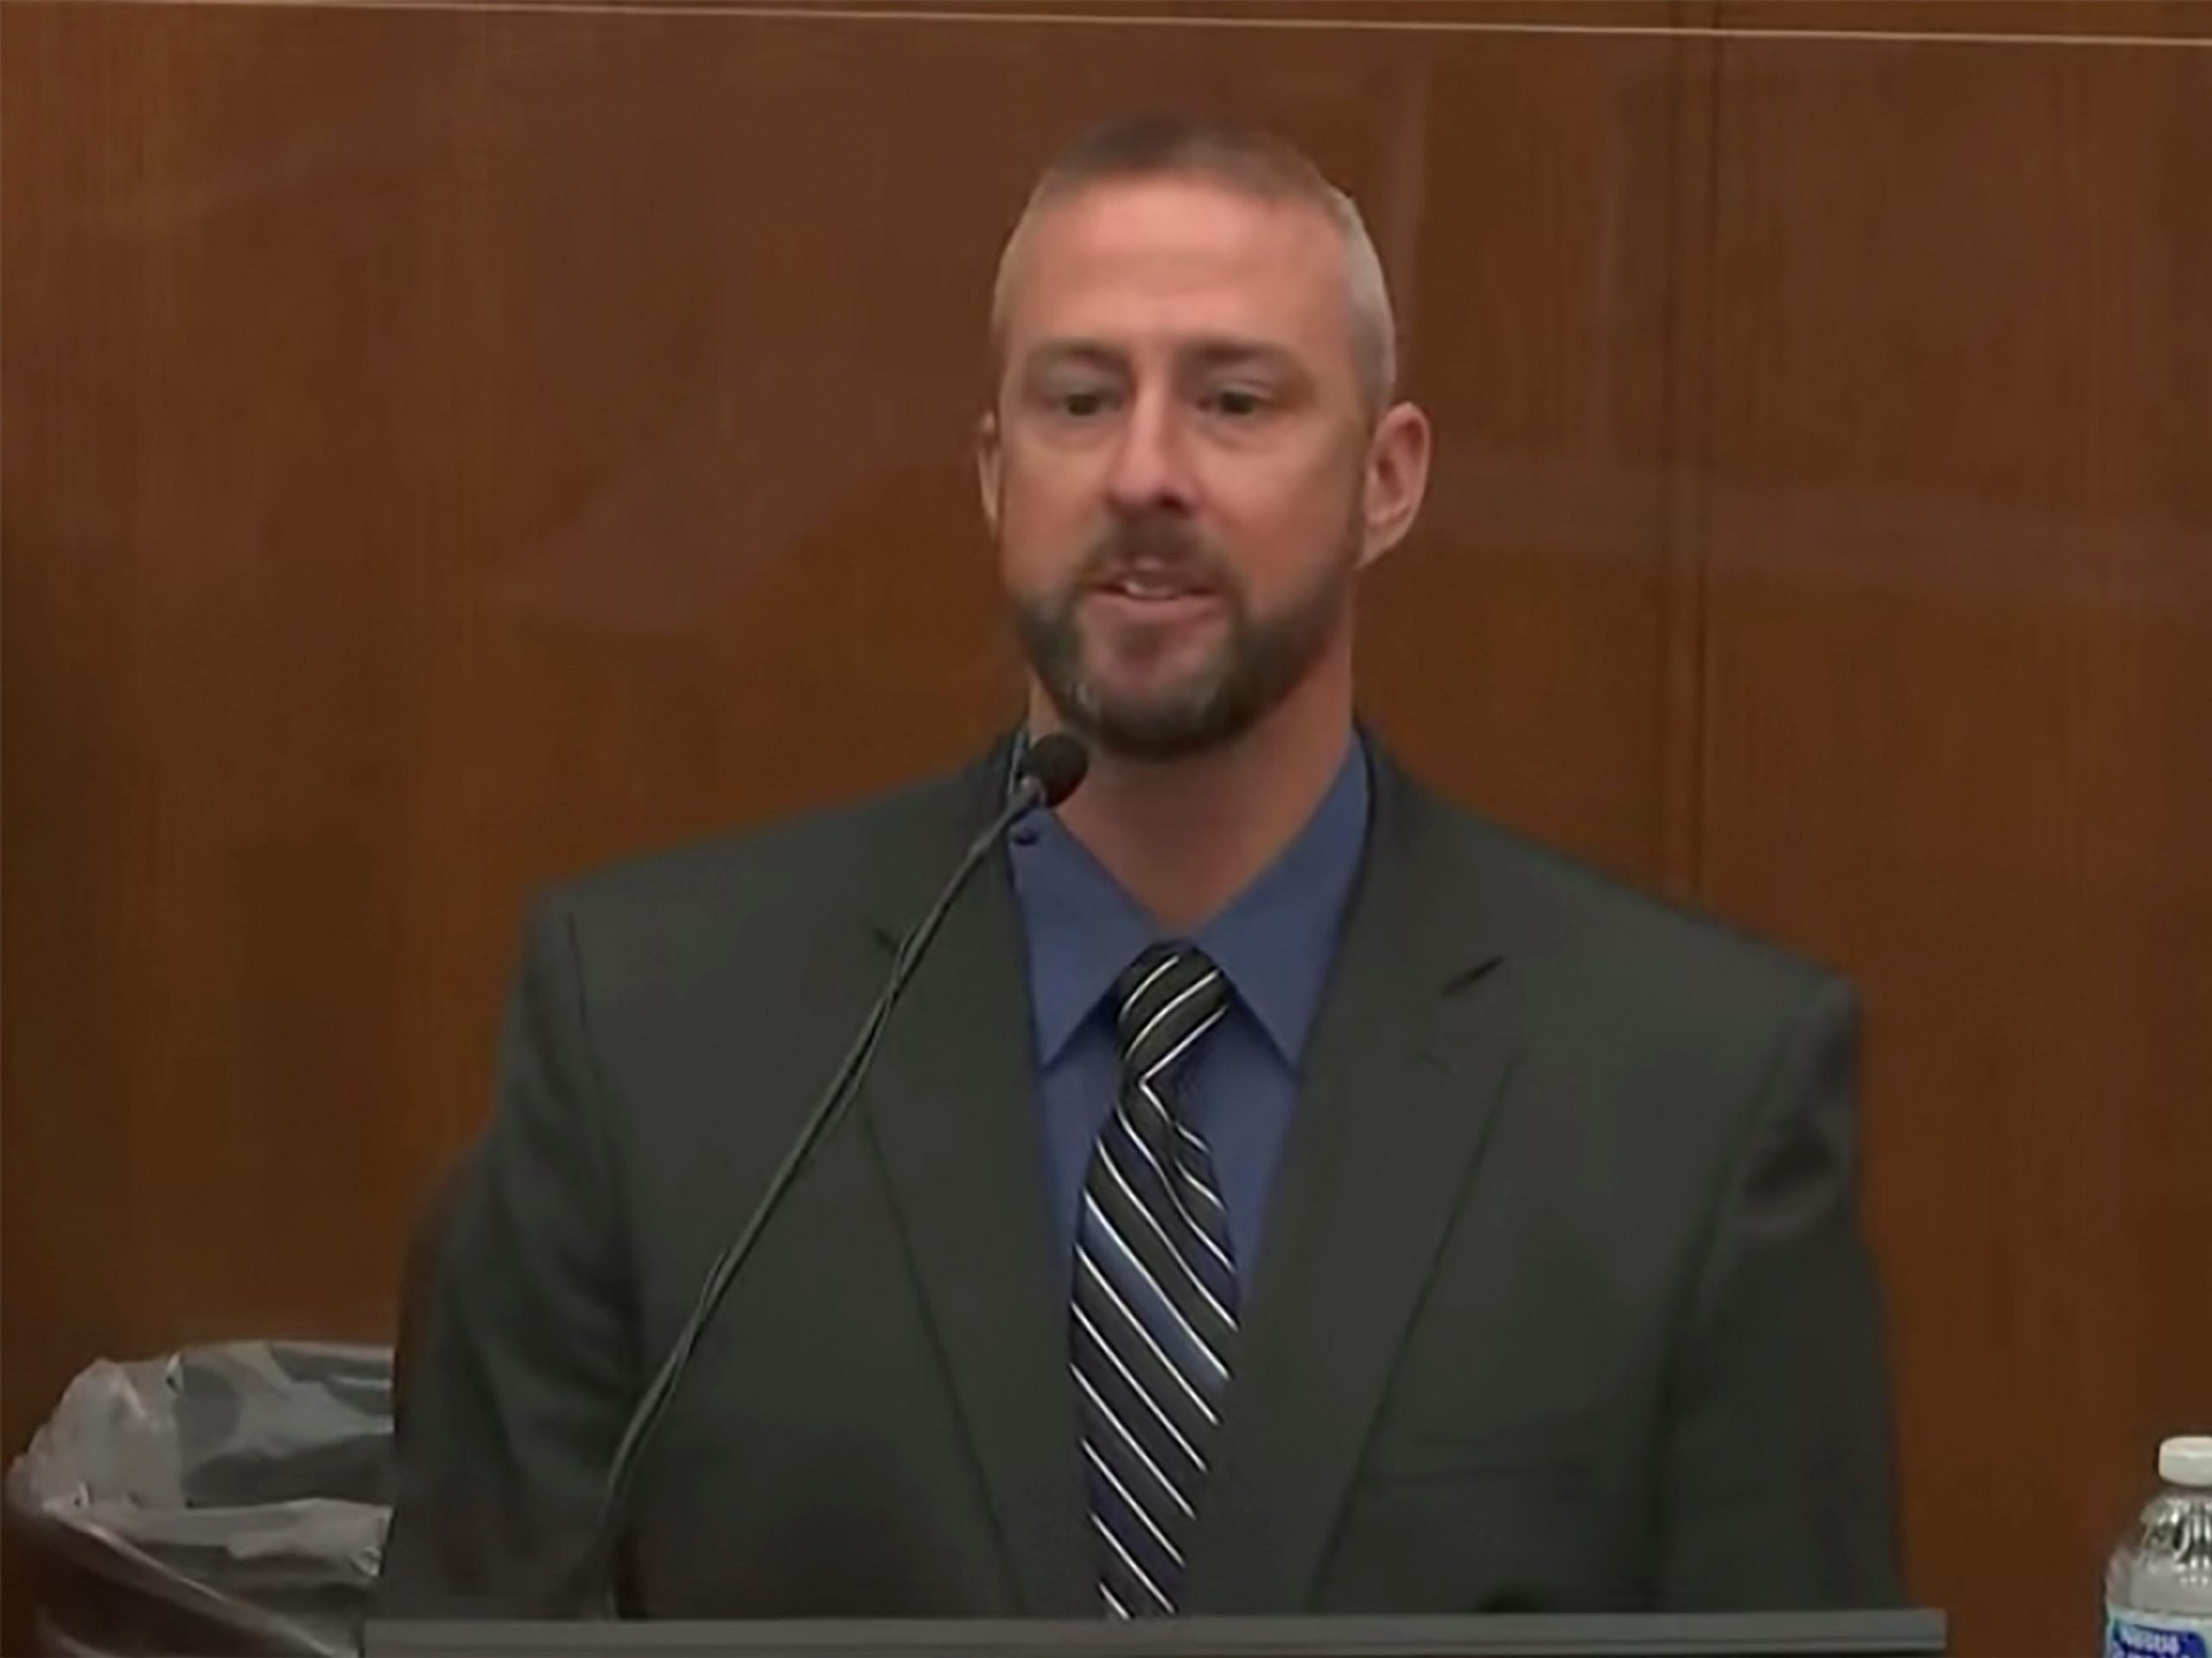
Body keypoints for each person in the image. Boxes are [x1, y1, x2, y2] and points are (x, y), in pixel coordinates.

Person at [378, 117, 1902, 1620]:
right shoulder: (652, 1034)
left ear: (1388, 478)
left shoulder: (1694, 1099)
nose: (1145, 471)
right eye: (1080, 401)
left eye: (1235, 401)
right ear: (993, 471)